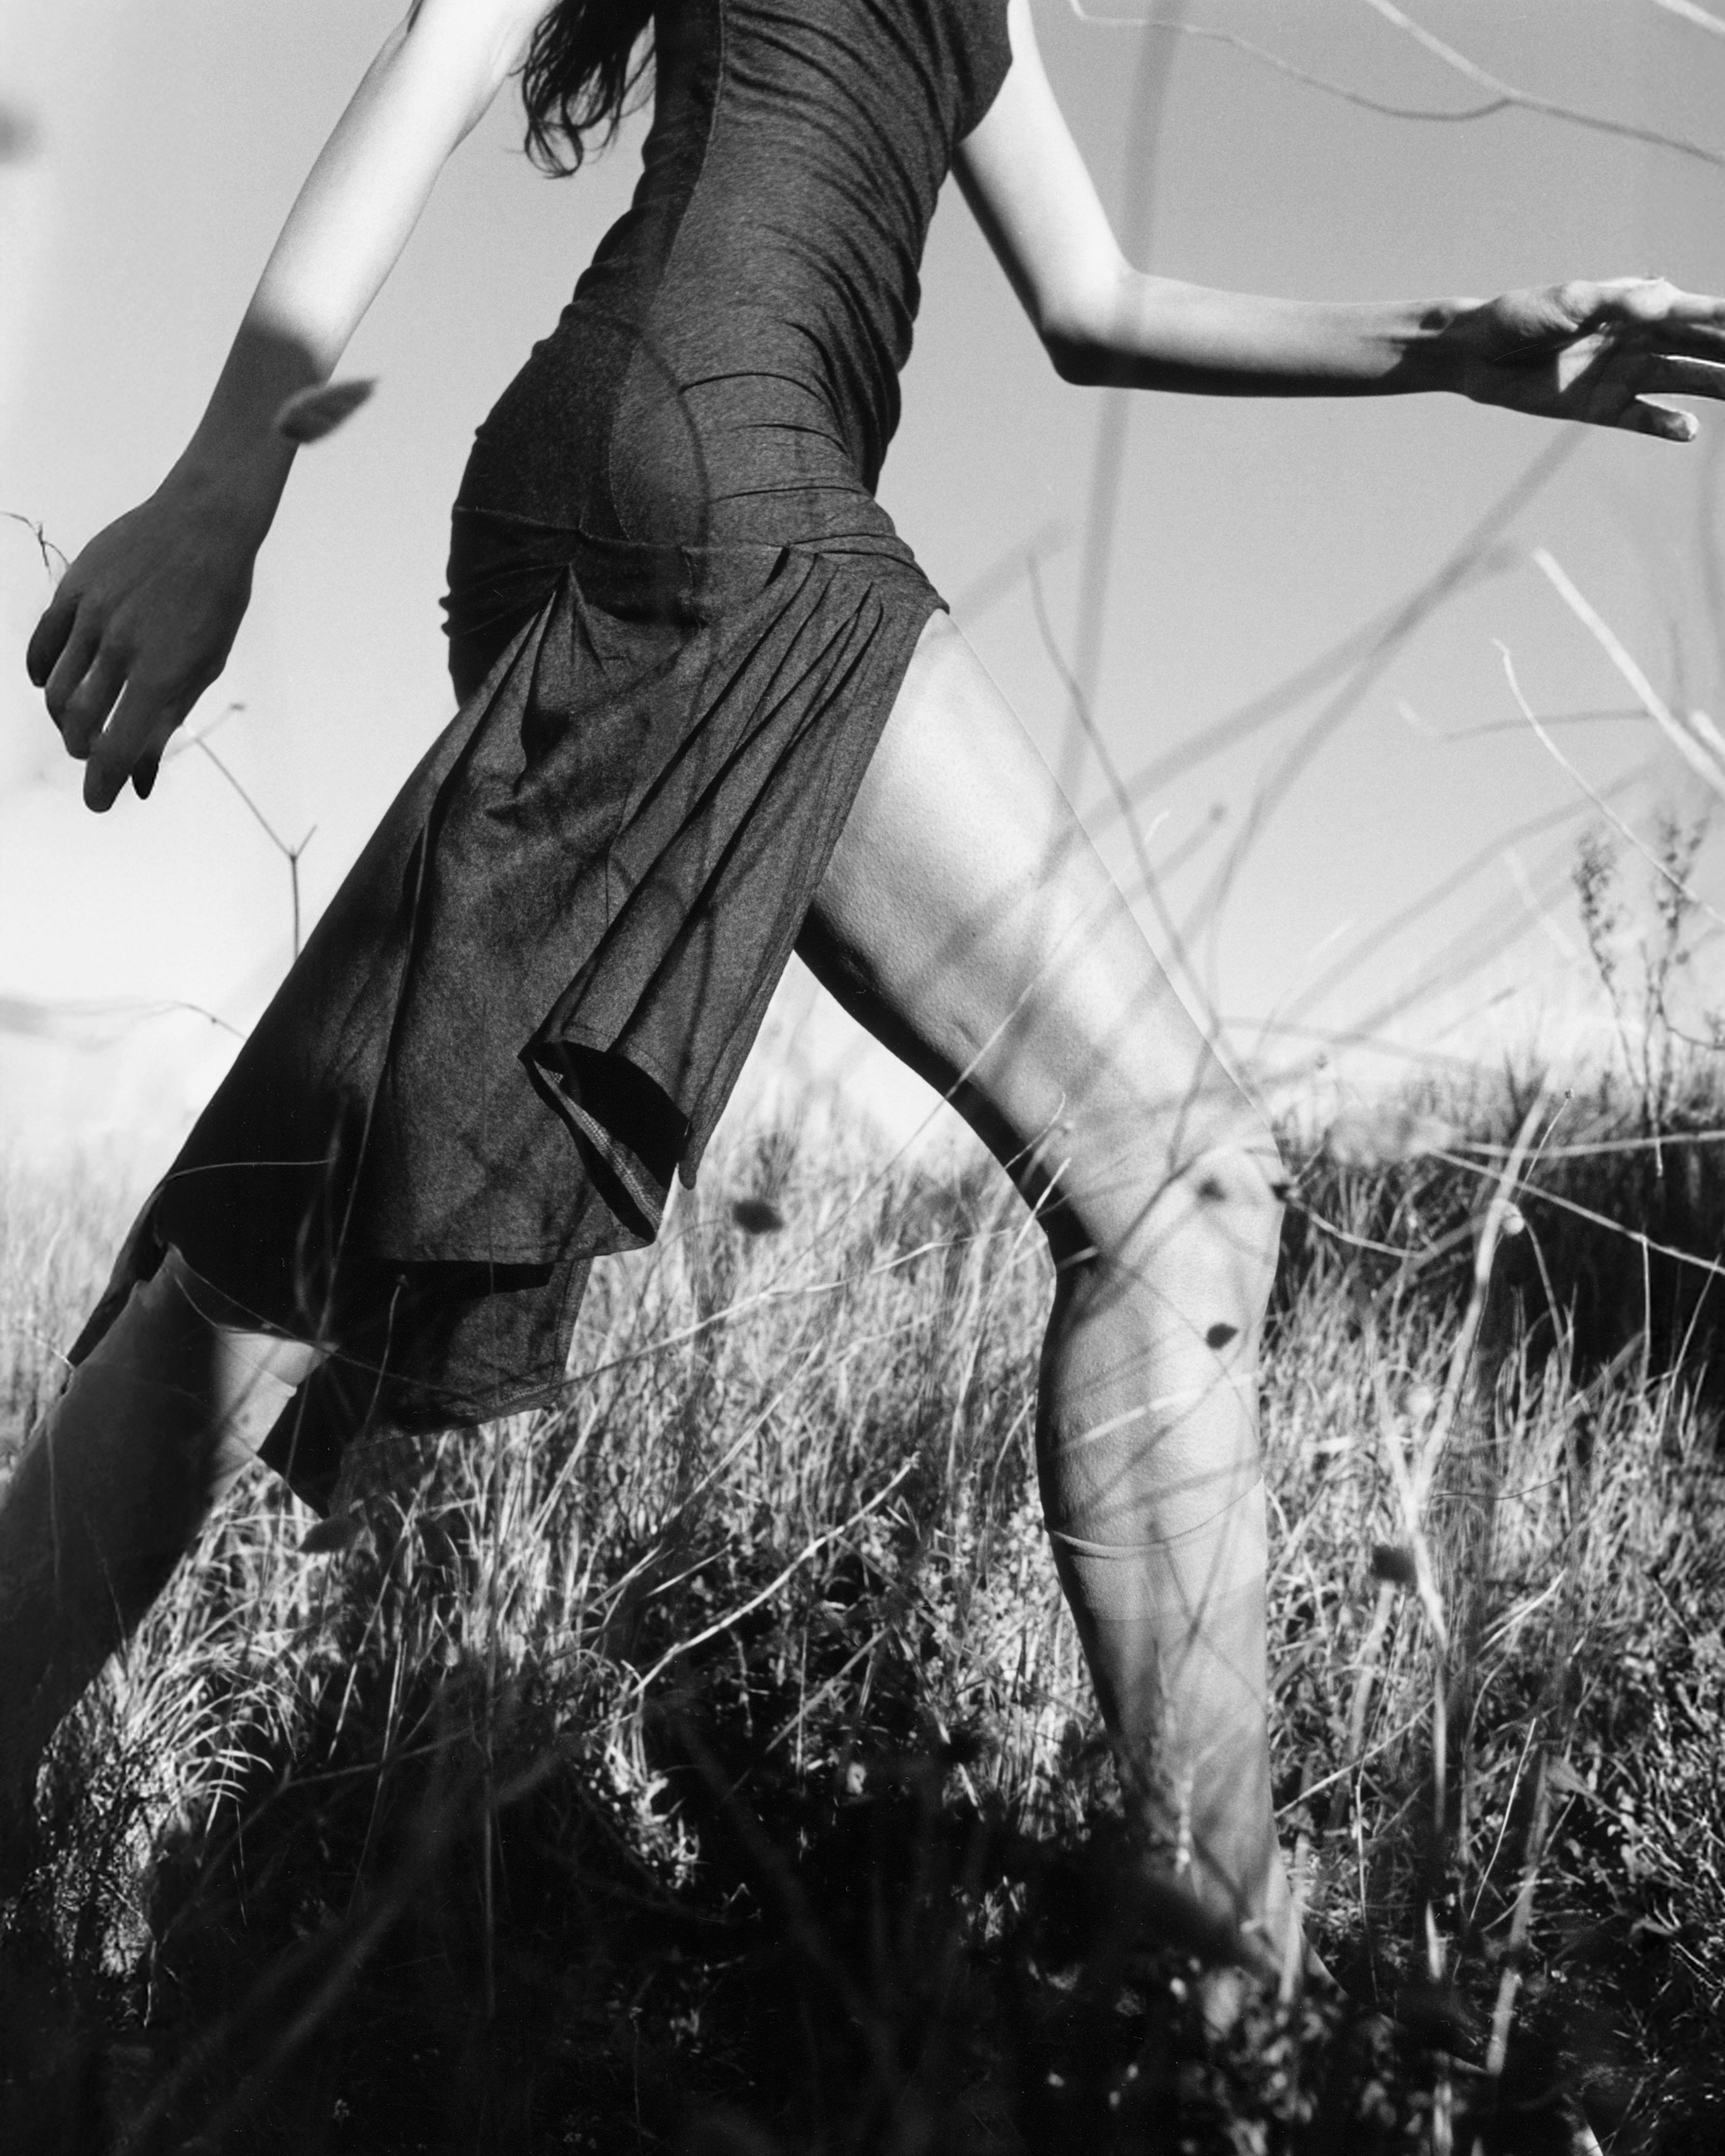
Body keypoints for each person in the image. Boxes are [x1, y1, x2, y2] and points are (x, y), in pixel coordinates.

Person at [5, 0, 1722, 1988]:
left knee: (314, 1235)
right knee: (1182, 1187)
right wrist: (224, 485)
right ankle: (1229, 1985)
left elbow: (1092, 302)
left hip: (695, 484)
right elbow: (442, 47)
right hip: (723, 482)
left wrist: (1457, 342)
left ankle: (1221, 1966)